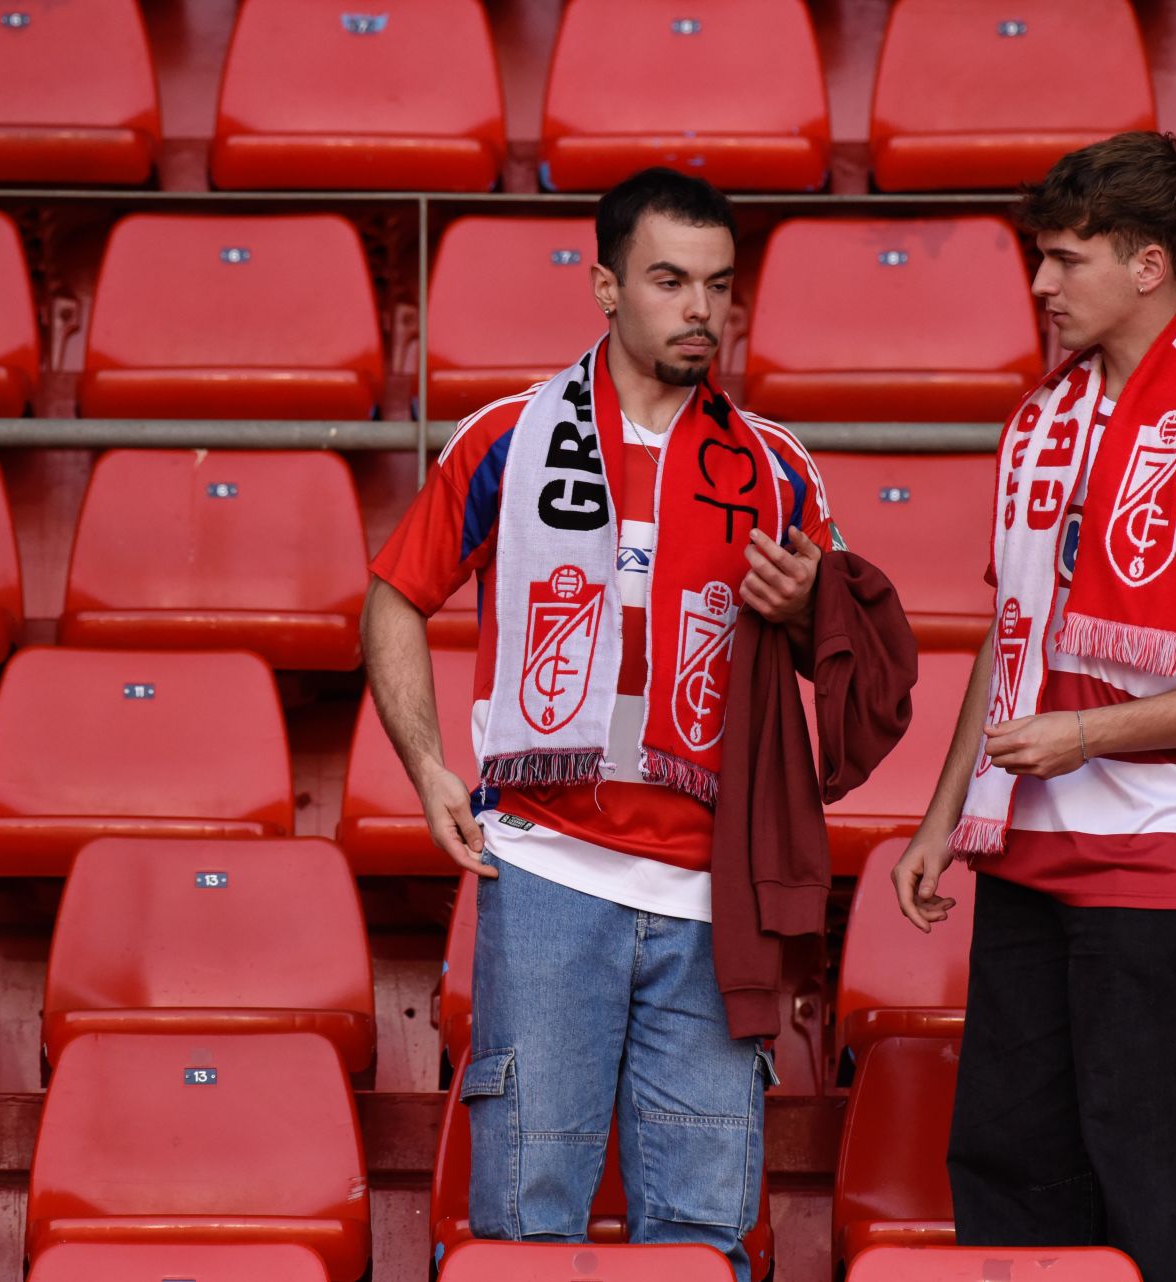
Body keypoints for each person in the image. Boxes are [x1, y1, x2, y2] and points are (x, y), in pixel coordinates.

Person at [361, 167, 835, 1280]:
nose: (699, 310)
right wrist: (426, 763)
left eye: (718, 285)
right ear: (607, 287)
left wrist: (814, 610)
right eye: (670, 281)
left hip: (715, 892)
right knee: (526, 1223)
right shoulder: (509, 437)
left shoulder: (779, 467)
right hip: (546, 867)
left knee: (706, 1233)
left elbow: (842, 654)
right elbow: (394, 592)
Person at [891, 132, 1176, 1282]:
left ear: (1148, 265)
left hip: (1167, 869)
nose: (1040, 284)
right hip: (1027, 855)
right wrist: (942, 817)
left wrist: (1088, 734)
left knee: (1167, 1192)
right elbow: (1009, 634)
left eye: (1066, 259)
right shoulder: (1039, 428)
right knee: (1012, 1180)